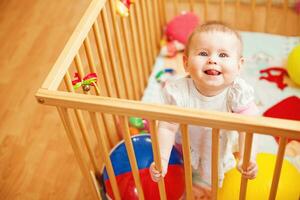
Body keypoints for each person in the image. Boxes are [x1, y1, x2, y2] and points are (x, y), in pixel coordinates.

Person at [150, 21, 259, 199]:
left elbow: (248, 128)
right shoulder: (178, 91)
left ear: (239, 66)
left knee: (216, 172)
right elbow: (168, 126)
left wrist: (248, 158)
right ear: (185, 63)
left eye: (223, 54)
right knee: (185, 165)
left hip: (220, 143)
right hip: (186, 140)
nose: (213, 59)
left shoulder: (237, 92)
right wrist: (161, 159)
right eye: (203, 53)